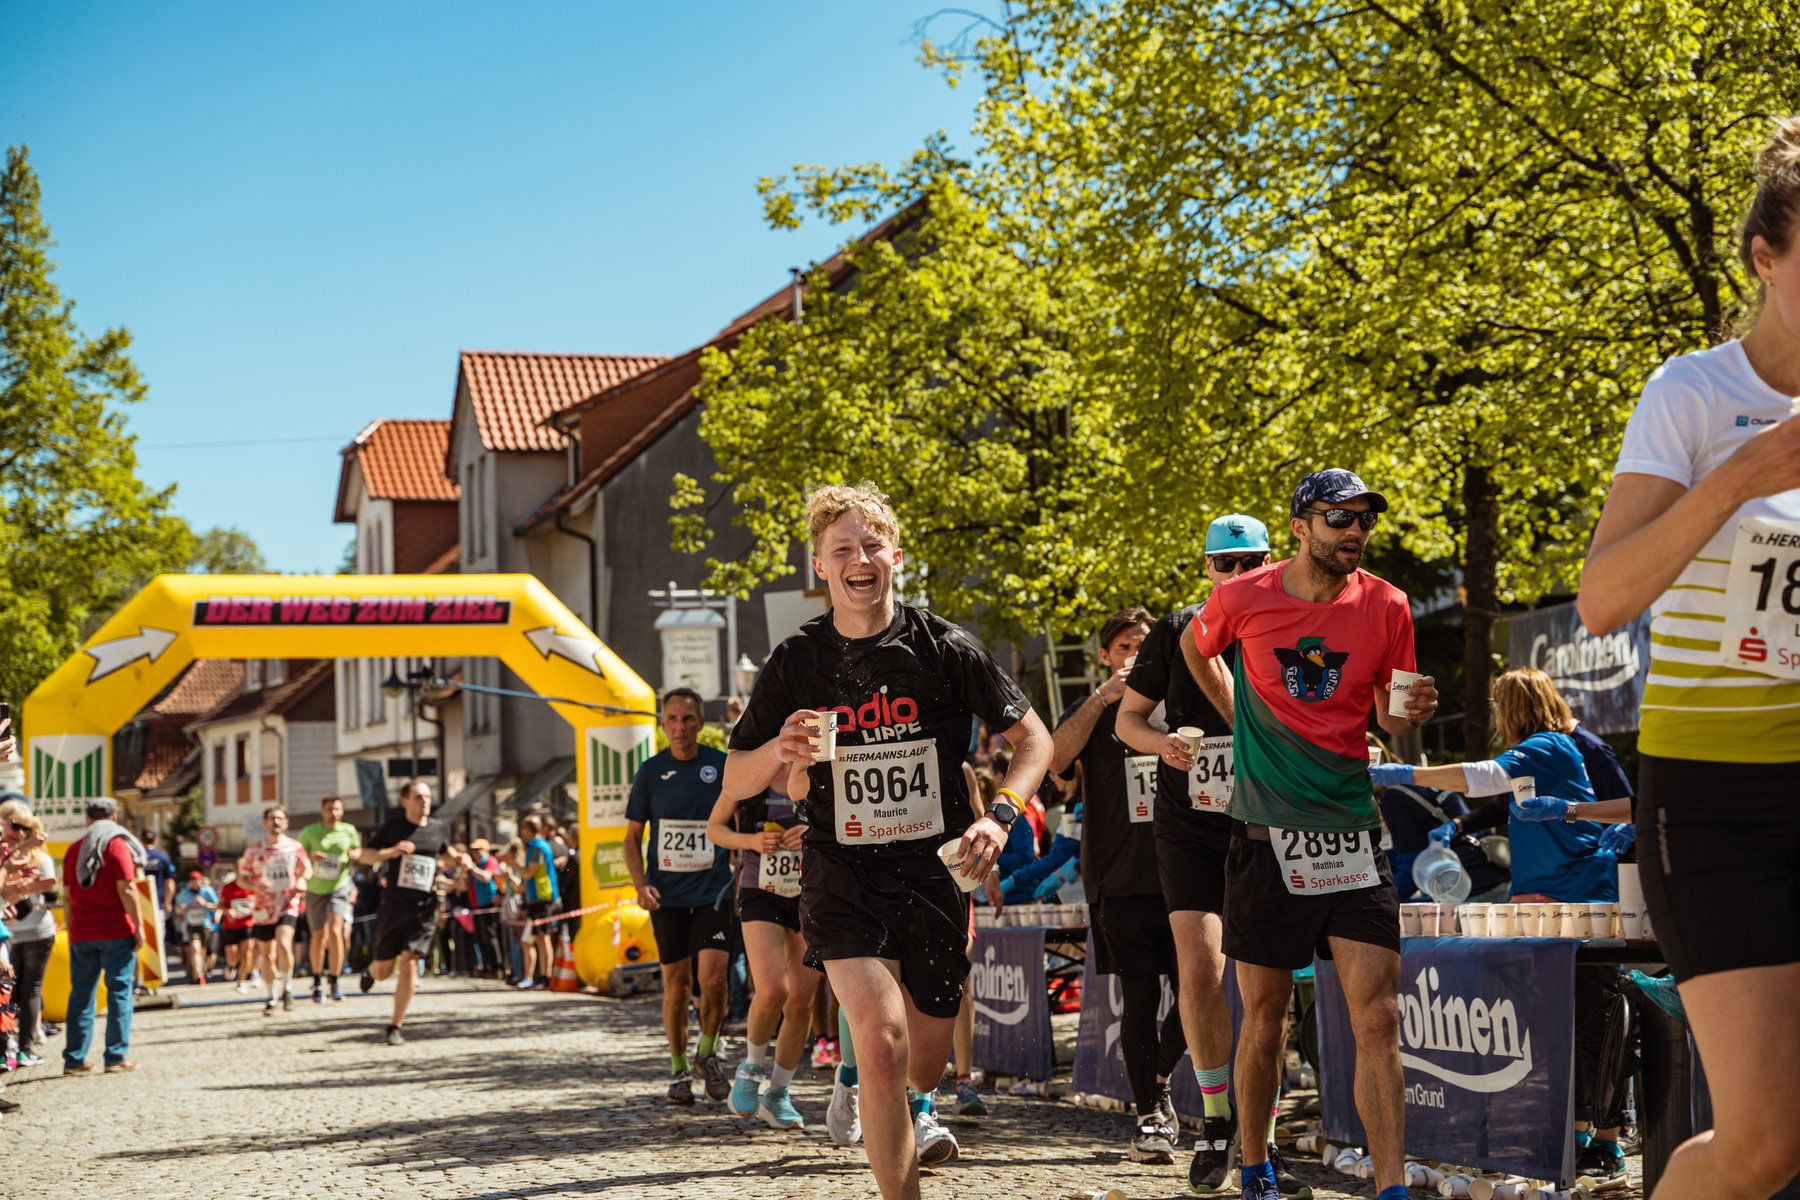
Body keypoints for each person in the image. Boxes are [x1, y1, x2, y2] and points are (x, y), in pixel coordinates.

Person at [1578, 119, 1800, 1200]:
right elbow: (1604, 597)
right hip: (1717, 800)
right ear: (1766, 257)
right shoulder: (1695, 394)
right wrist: (1740, 477)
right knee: (1764, 1148)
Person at [724, 482, 1053, 1200]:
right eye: (842, 548)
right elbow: (737, 774)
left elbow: (1035, 741)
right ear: (820, 566)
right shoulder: (798, 660)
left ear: (895, 556)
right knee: (879, 1043)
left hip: (935, 874)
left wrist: (999, 816)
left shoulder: (944, 647)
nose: (859, 559)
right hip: (841, 872)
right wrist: (778, 747)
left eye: (872, 545)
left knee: (922, 1066)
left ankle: (897, 1102)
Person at [1188, 470, 1437, 1200]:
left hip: (1351, 831)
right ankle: (1256, 1167)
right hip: (1266, 835)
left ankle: (1391, 1188)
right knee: (1265, 1019)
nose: (1354, 531)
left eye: (1363, 519)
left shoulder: (1388, 604)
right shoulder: (1243, 596)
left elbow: (1393, 716)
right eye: (1338, 517)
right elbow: (1197, 647)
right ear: (1300, 526)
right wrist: (1237, 710)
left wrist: (1414, 708)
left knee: (1380, 1016)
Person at [1121, 513, 1285, 1194]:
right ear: (1208, 568)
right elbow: (1129, 720)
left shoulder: (1295, 624)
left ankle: (1260, 1134)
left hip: (1268, 823)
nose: (1239, 575)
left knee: (1265, 988)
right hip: (1189, 821)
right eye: (1226, 564)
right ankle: (1217, 1119)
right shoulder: (1177, 629)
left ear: (1273, 562)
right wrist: (1161, 744)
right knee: (1198, 966)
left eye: (1252, 563)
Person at [1053, 605, 1190, 1164]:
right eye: (1124, 647)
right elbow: (1055, 761)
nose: (1135, 655)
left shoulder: (1181, 697)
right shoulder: (1095, 707)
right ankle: (1149, 1115)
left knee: (1199, 989)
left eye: (1144, 645)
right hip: (1119, 875)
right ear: (1106, 656)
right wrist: (1102, 698)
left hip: (1188, 871)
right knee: (1140, 996)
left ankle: (1158, 1076)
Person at [626, 686, 735, 1106]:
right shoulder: (650, 772)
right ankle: (678, 1070)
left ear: (700, 723)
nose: (679, 727)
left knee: (714, 979)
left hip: (713, 891)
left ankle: (707, 1054)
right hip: (667, 896)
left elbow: (743, 817)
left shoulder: (721, 766)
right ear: (662, 724)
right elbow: (631, 839)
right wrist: (641, 885)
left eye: (687, 718)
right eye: (671, 719)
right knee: (677, 985)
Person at [708, 763, 819, 1129]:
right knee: (772, 989)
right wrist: (751, 842)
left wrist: (811, 834)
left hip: (810, 893)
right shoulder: (750, 771)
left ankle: (778, 1094)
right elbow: (715, 828)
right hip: (760, 891)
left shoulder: (820, 769)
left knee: (801, 1001)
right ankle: (750, 1070)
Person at [358, 780, 463, 1045]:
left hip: (424, 909)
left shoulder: (436, 828)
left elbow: (447, 854)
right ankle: (371, 971)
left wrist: (459, 859)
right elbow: (365, 855)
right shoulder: (393, 828)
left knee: (409, 964)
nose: (424, 801)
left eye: (427, 796)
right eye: (418, 797)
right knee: (384, 971)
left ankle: (395, 1025)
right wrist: (392, 852)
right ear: (405, 801)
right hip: (394, 906)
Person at [61, 798, 147, 1074]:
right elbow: (127, 888)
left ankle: (74, 1059)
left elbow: (67, 897)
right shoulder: (116, 845)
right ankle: (115, 1056)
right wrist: (139, 925)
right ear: (115, 818)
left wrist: (71, 929)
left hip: (82, 932)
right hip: (115, 930)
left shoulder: (74, 850)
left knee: (81, 996)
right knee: (119, 992)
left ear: (87, 819)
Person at [239, 806, 312, 1016]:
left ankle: (287, 989)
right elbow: (242, 878)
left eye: (280, 818)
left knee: (283, 945)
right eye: (272, 818)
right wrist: (254, 885)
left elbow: (307, 868)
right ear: (265, 823)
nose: (276, 822)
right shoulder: (254, 851)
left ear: (286, 823)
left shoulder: (294, 847)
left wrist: (302, 879)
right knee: (267, 956)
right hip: (262, 909)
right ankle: (271, 996)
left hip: (287, 903)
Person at [0, 799, 55, 1063]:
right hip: (23, 932)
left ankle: (10, 1050)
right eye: (16, 826)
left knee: (12, 991)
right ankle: (19, 1049)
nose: (20, 834)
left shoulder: (17, 855)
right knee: (23, 990)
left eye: (26, 829)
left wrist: (21, 891)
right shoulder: (19, 856)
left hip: (13, 932)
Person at [297, 795, 360, 1003]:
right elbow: (298, 857)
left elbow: (357, 849)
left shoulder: (349, 831)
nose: (333, 813)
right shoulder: (309, 832)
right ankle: (317, 980)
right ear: (322, 811)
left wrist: (355, 854)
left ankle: (335, 980)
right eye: (329, 809)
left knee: (336, 933)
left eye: (337, 809)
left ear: (342, 811)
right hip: (315, 889)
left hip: (339, 887)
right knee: (318, 937)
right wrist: (310, 858)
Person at [515, 814, 560, 990]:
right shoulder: (536, 845)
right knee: (536, 939)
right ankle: (537, 977)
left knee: (543, 938)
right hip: (537, 898)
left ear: (526, 830)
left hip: (543, 898)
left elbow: (529, 873)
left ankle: (544, 977)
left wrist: (511, 862)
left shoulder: (538, 847)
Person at [463, 838, 504, 978]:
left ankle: (496, 968)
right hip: (477, 905)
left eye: (477, 850)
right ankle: (486, 967)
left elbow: (486, 877)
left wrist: (471, 867)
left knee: (490, 936)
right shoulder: (478, 864)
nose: (475, 853)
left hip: (488, 904)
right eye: (473, 850)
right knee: (481, 938)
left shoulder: (490, 861)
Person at [173, 871, 219, 985]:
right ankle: (197, 973)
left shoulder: (207, 891)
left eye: (197, 881)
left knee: (202, 951)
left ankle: (202, 971)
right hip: (191, 924)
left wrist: (205, 904)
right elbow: (176, 904)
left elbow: (217, 906)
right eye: (192, 882)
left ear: (201, 881)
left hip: (205, 924)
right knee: (195, 948)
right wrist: (181, 911)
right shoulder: (184, 893)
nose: (195, 884)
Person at [218, 869, 257, 990]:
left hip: (248, 923)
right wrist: (227, 911)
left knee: (248, 951)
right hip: (231, 925)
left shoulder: (253, 884)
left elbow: (263, 900)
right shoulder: (228, 887)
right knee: (232, 957)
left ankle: (243, 980)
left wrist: (255, 900)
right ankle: (232, 965)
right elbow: (220, 905)